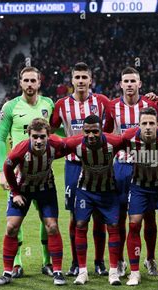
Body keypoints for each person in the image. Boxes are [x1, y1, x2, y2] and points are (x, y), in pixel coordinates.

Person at [0, 118, 68, 286]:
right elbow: (7, 167)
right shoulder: (21, 150)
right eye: (35, 137)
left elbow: (72, 145)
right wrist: (16, 192)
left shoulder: (56, 145)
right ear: (29, 136)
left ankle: (57, 271)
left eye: (42, 136)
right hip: (23, 189)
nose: (39, 141)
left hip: (45, 189)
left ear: (49, 135)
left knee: (52, 226)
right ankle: (6, 273)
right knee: (12, 226)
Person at [50, 62, 110, 277]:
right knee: (76, 217)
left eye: (85, 77)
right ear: (72, 80)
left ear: (90, 80)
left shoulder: (102, 102)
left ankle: (99, 261)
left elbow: (111, 127)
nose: (81, 81)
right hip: (74, 166)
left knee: (99, 216)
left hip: (98, 167)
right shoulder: (61, 105)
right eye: (77, 77)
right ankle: (76, 262)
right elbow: (51, 130)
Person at [0, 66, 55, 278]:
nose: (30, 84)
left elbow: (56, 135)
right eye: (26, 80)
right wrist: (2, 171)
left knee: (46, 217)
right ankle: (17, 263)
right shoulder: (10, 107)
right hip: (18, 173)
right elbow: (0, 139)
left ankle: (47, 262)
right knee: (15, 218)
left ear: (39, 83)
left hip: (42, 171)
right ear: (20, 83)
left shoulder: (49, 104)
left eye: (33, 80)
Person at [104, 67, 158, 277]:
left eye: (133, 81)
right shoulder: (112, 107)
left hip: (146, 165)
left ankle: (150, 259)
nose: (129, 84)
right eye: (125, 81)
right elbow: (108, 135)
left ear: (140, 84)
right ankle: (120, 261)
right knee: (119, 216)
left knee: (149, 216)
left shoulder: (151, 105)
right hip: (121, 167)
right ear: (121, 84)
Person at [121, 107, 158, 286]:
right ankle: (134, 272)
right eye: (144, 123)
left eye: (151, 123)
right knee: (133, 225)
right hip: (139, 186)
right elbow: (111, 145)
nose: (148, 127)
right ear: (138, 125)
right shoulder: (128, 137)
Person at [63, 115, 125, 286]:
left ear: (101, 130)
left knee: (113, 226)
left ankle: (113, 272)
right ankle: (82, 271)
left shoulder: (114, 142)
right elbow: (55, 147)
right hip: (85, 191)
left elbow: (132, 141)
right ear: (83, 131)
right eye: (87, 131)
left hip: (108, 191)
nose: (91, 135)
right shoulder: (75, 143)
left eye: (95, 131)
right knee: (80, 225)